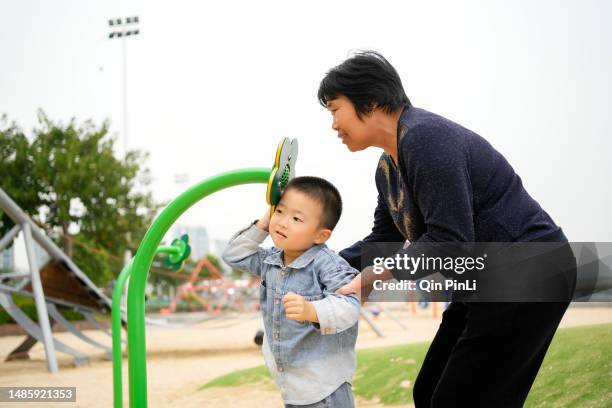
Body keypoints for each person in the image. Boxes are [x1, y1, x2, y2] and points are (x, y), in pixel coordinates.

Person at [320, 51, 576, 407]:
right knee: (428, 393)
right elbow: (385, 240)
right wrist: (319, 263)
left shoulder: (426, 139)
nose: (332, 124)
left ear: (371, 100)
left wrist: (370, 279)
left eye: (334, 109)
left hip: (529, 271)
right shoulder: (387, 168)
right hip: (485, 281)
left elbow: (450, 242)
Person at [222, 176, 360, 408]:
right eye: (279, 212)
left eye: (296, 218)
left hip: (325, 387)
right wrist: (264, 223)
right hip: (292, 384)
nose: (283, 222)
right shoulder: (271, 261)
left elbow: (350, 306)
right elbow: (234, 254)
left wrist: (312, 310)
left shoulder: (327, 264)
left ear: (321, 235)